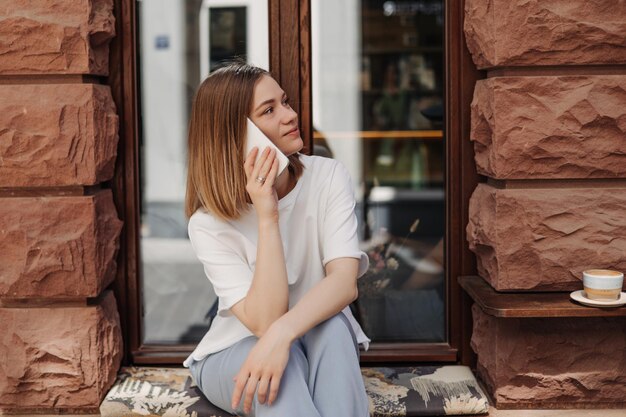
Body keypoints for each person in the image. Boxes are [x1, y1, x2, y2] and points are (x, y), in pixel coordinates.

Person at [183, 60, 371, 417]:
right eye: (269, 110)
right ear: (236, 135)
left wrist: (283, 335)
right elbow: (264, 322)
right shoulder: (207, 223)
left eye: (284, 102)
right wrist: (267, 215)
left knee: (332, 326)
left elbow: (344, 284)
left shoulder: (328, 176)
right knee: (280, 377)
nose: (290, 114)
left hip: (314, 338)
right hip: (233, 351)